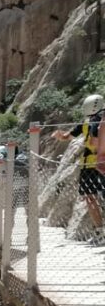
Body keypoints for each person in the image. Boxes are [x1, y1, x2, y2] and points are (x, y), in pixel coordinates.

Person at [52, 93, 105, 231]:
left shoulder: (90, 121)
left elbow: (67, 137)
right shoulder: (92, 121)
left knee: (90, 197)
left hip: (90, 164)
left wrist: (59, 135)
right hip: (97, 162)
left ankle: (99, 230)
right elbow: (67, 136)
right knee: (93, 196)